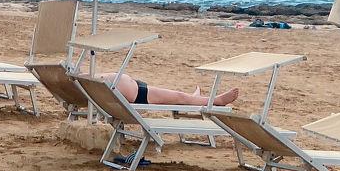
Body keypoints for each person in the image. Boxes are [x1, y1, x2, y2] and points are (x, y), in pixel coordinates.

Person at [99, 69, 241, 107]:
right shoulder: (83, 80)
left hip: (135, 89)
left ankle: (194, 99)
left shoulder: (83, 80)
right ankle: (217, 100)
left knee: (179, 96)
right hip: (137, 94)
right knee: (179, 97)